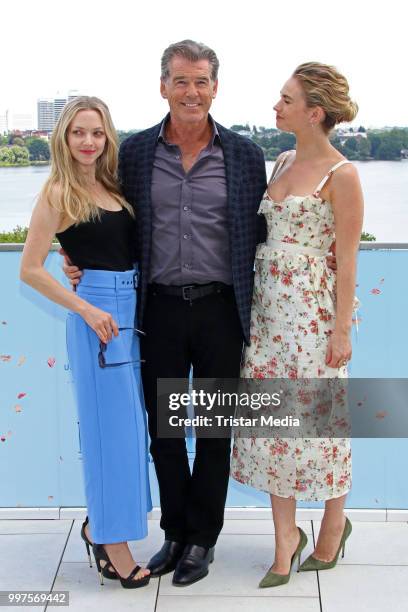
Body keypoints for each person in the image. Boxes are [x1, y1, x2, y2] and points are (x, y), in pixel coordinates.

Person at [63, 40, 268, 587]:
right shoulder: (132, 153)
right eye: (181, 81)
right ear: (163, 86)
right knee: (167, 431)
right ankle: (175, 532)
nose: (191, 92)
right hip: (157, 311)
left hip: (223, 309)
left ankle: (204, 538)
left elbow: (262, 231)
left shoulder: (245, 155)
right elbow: (101, 212)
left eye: (201, 81)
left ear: (215, 88)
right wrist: (72, 254)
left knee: (216, 430)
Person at [231, 62, 364, 587]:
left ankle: (333, 525)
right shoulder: (282, 160)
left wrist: (341, 330)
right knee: (271, 424)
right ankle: (285, 538)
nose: (276, 106)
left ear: (314, 112)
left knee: (318, 421)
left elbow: (348, 261)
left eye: (285, 100)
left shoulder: (344, 175)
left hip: (312, 318)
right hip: (266, 316)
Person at [20, 96, 152, 589]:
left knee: (129, 434)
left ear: (107, 138)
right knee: (107, 437)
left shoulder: (111, 186)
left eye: (97, 132)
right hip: (97, 320)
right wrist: (86, 306)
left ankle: (102, 527)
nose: (88, 141)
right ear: (64, 138)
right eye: (79, 132)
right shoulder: (58, 191)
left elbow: (110, 247)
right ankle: (113, 546)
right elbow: (29, 269)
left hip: (130, 314)